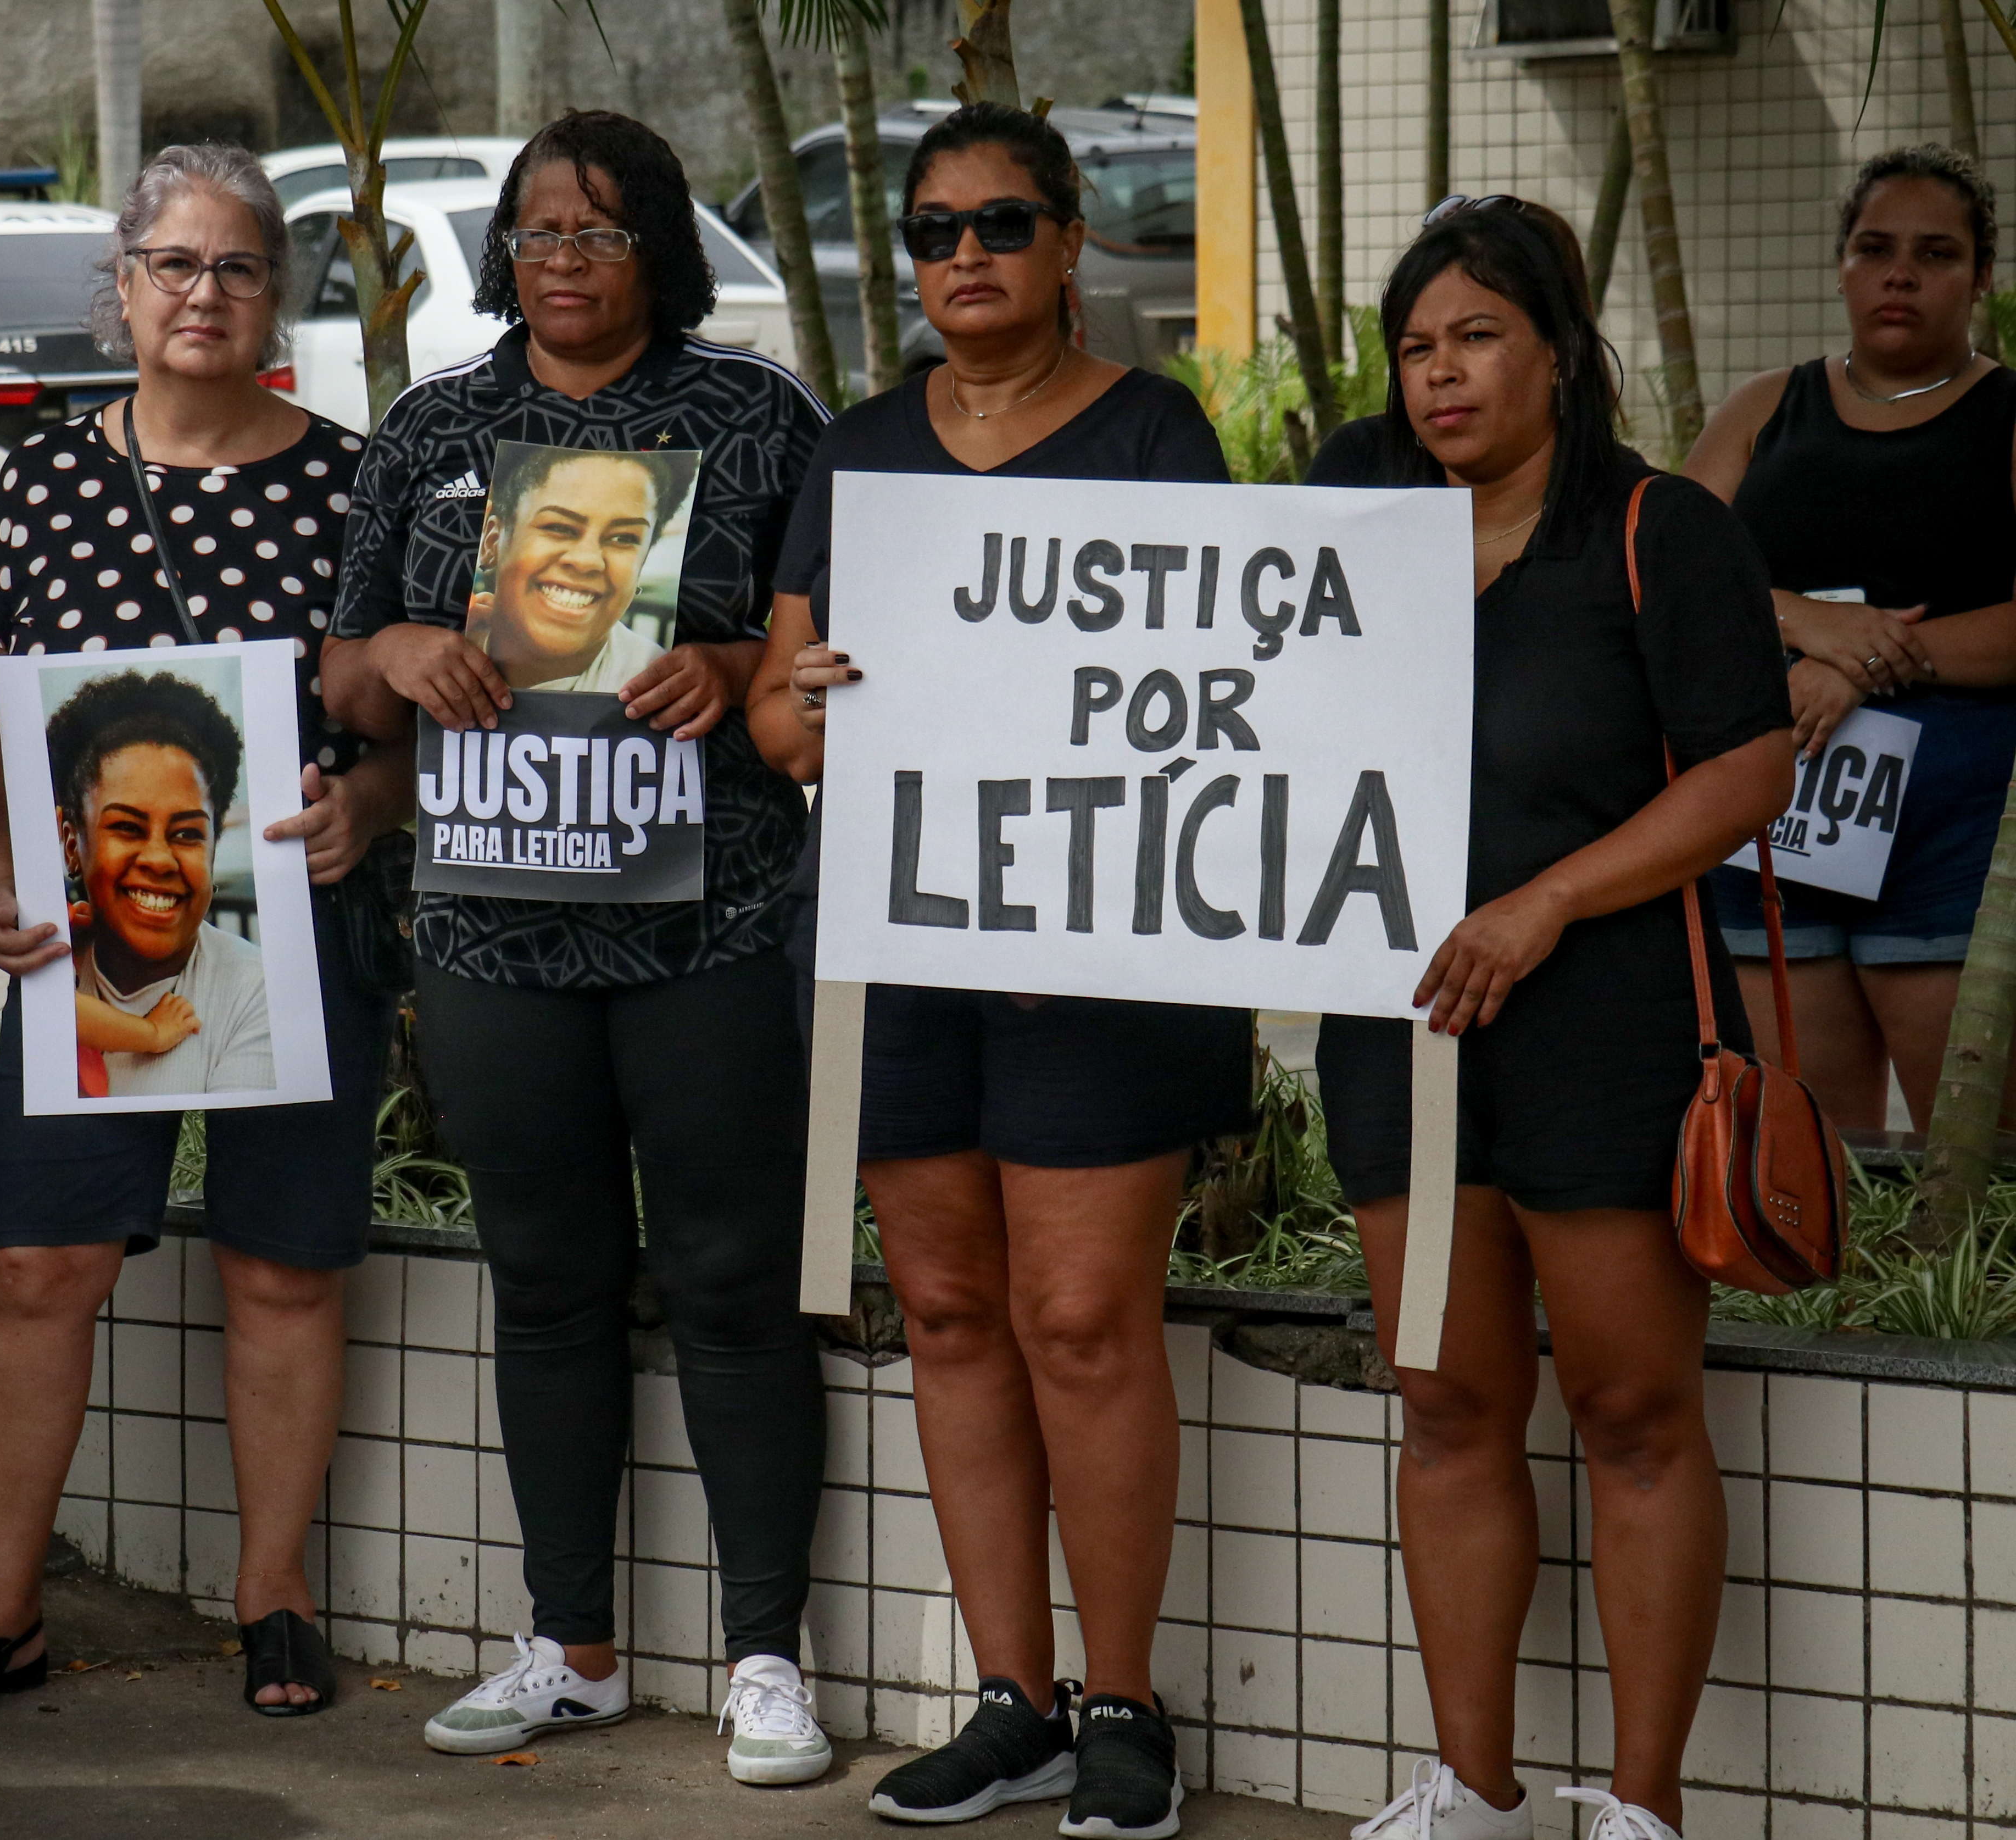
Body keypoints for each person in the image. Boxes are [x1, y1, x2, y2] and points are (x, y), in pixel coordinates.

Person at [748, 102, 1250, 1837]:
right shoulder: (861, 448)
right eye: (935, 230)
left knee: (1084, 1323)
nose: (966, 254)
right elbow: (773, 717)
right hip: (897, 946)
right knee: (952, 1317)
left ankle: (1125, 1703)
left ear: (1070, 244)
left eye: (1002, 224)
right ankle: (1011, 1698)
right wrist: (795, 705)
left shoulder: (1155, 436)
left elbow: (1223, 712)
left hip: (1100, 965)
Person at [326, 109, 834, 1787]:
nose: (561, 256)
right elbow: (337, 676)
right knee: (543, 1285)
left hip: (712, 922)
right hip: (490, 929)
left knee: (730, 1286)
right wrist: (403, 645)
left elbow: (816, 676)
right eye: (539, 230)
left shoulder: (761, 421)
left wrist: (727, 687)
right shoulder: (431, 428)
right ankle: (573, 1646)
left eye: (601, 231)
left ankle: (768, 1657)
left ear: (661, 251)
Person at [0, 141, 410, 1729]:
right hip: (82, 952)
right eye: (172, 265)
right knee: (36, 1270)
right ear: (120, 289)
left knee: (284, 1266)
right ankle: (1, 1611)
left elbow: (407, 720)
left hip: (295, 931)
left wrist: (371, 807)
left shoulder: (350, 478)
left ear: (277, 297)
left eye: (236, 265)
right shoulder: (41, 477)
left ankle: (276, 1598)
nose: (203, 292)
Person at [1300, 198, 1792, 1840]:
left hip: (1609, 1024)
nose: (1439, 376)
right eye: (1415, 347)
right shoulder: (1347, 530)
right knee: (1443, 1400)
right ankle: (1473, 1786)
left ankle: (1640, 1808)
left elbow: (1746, 768)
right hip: (1402, 1030)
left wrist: (1551, 899)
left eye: (1478, 338)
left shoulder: (1659, 531)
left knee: (1635, 1408)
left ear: (1558, 350)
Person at [1687, 144, 2016, 1132]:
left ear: (1980, 277)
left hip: (1954, 832)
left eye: (1934, 253)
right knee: (1804, 1158)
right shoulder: (1760, 407)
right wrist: (1807, 627)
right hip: (1773, 821)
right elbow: (1669, 578)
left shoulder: (2004, 415)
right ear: (1839, 264)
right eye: (1873, 247)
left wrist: (1858, 672)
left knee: (1973, 1167)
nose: (1899, 273)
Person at [46, 669, 274, 1097]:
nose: (159, 859)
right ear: (72, 842)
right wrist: (149, 1033)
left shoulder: (254, 991)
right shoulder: (55, 950)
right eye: (128, 828)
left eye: (188, 834)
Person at [466, 444, 693, 690]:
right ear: (492, 541)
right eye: (559, 527)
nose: (588, 561)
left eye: (624, 538)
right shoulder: (443, 645)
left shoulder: (657, 682)